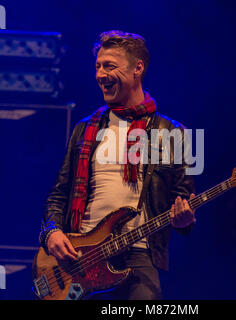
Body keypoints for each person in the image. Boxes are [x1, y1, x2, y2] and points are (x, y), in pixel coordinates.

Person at [39, 30, 196, 300]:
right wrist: (51, 232)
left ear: (138, 68)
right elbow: (59, 194)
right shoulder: (84, 129)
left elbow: (182, 204)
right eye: (98, 66)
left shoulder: (173, 133)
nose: (100, 74)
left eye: (109, 66)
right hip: (79, 256)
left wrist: (184, 218)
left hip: (138, 254)